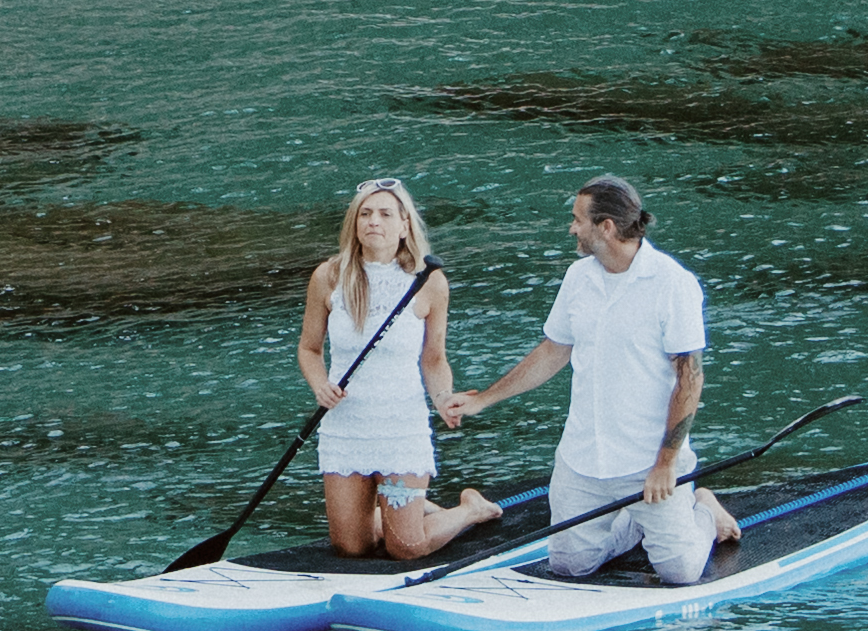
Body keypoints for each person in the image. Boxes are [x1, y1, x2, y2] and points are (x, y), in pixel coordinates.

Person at [448, 176, 717, 585]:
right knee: (570, 566)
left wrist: (666, 463)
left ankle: (705, 511)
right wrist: (483, 399)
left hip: (648, 464)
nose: (571, 228)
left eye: (577, 220)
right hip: (582, 459)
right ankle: (634, 524)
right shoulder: (578, 278)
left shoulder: (672, 284)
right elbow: (552, 351)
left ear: (605, 227)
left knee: (679, 572)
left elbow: (689, 379)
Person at [294, 180, 488, 565]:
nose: (373, 222)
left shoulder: (429, 282)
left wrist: (443, 399)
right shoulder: (328, 277)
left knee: (406, 548)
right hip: (346, 427)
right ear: (354, 224)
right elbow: (309, 348)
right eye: (365, 214)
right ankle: (406, 505)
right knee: (352, 548)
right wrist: (319, 384)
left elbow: (433, 358)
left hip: (401, 427)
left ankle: (470, 510)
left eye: (385, 214)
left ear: (404, 226)